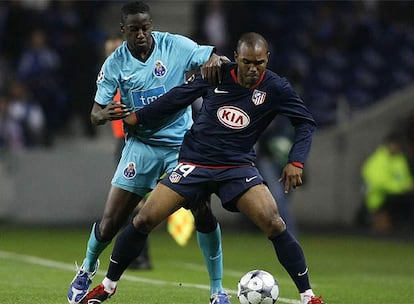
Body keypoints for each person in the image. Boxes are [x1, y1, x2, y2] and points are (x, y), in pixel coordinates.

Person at [82, 32, 325, 304]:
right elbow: (177, 97)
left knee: (274, 222)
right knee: (143, 219)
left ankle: (308, 296)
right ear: (236, 58)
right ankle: (107, 286)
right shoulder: (216, 74)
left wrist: (296, 161)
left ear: (267, 59)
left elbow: (305, 122)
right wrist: (138, 117)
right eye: (247, 62)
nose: (253, 68)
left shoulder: (276, 87)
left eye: (259, 62)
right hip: (194, 163)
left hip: (237, 166)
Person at [67, 2, 231, 304]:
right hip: (141, 147)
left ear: (151, 24)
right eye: (134, 29)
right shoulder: (115, 63)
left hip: (182, 147)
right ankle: (88, 268)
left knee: (203, 212)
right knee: (111, 222)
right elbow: (95, 113)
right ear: (123, 30)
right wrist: (104, 116)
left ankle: (217, 290)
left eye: (145, 27)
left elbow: (212, 56)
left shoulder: (175, 46)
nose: (141, 34)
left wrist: (215, 59)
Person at [361, 130, 414, 233]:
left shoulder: (399, 159)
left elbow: (405, 177)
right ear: (388, 144)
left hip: (396, 194)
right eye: (394, 144)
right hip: (379, 197)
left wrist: (410, 185)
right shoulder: (377, 160)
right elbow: (380, 183)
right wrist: (403, 188)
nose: (396, 147)